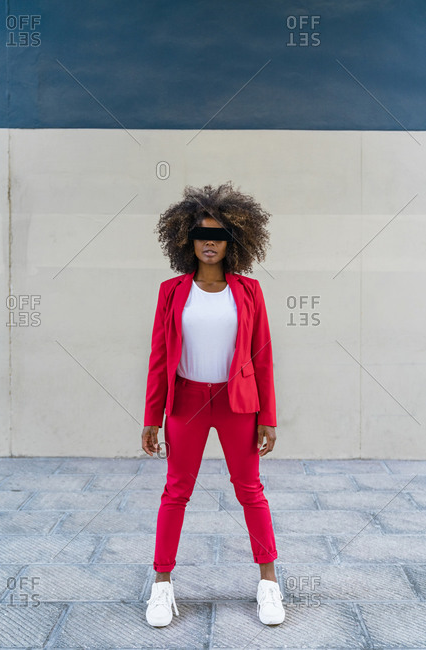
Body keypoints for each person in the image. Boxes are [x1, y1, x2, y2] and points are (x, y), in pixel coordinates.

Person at [141, 181, 285, 627]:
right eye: (203, 234)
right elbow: (159, 357)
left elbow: (262, 357)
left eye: (220, 235)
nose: (210, 242)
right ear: (188, 239)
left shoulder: (248, 292)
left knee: (250, 491)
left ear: (233, 241)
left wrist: (269, 418)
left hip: (237, 403)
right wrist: (152, 417)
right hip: (185, 401)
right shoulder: (170, 291)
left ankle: (269, 584)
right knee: (176, 491)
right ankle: (162, 587)